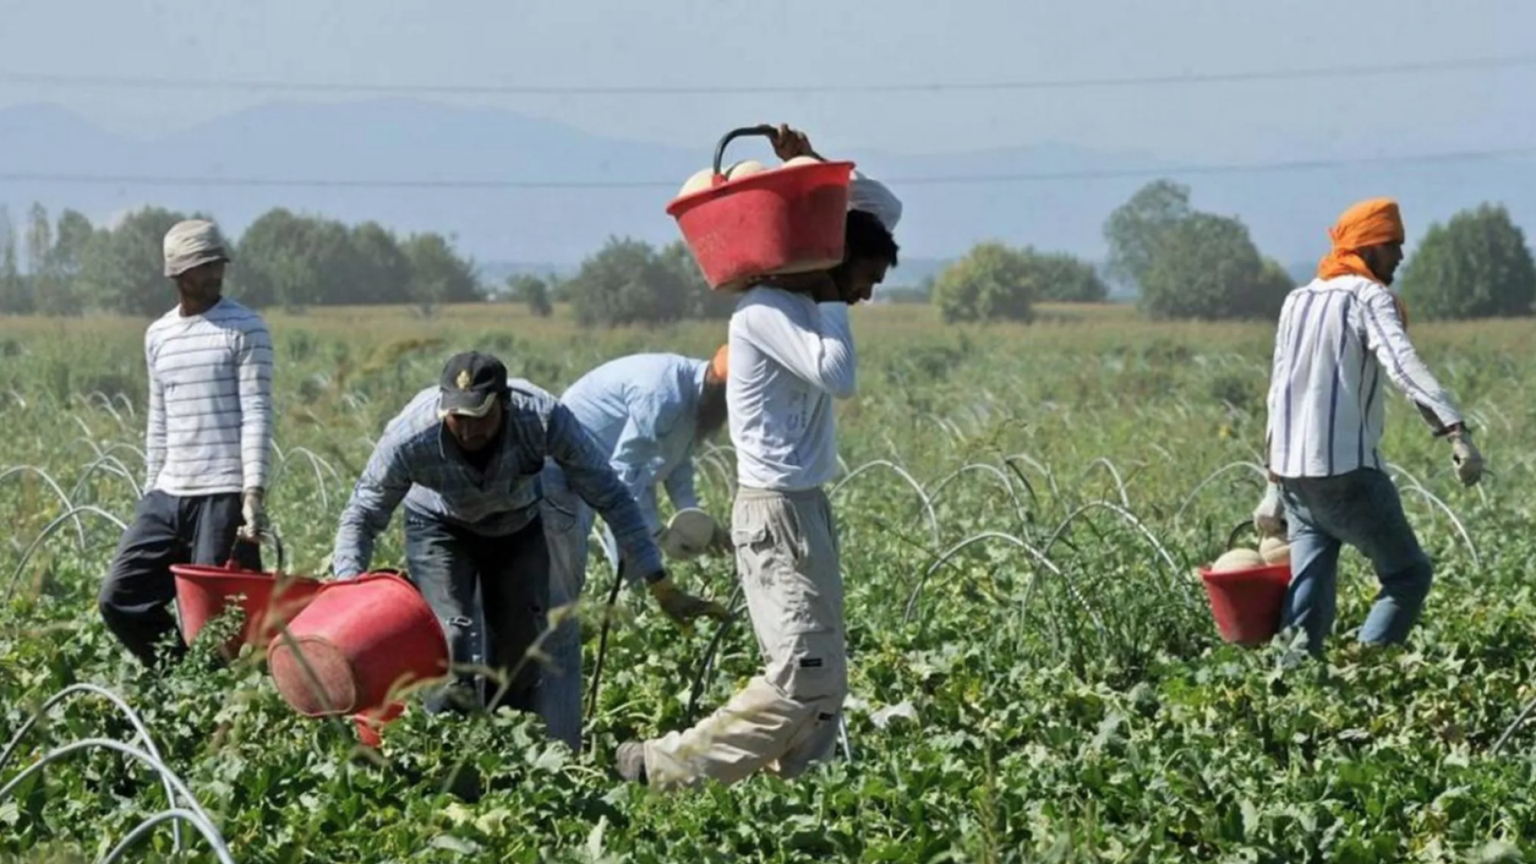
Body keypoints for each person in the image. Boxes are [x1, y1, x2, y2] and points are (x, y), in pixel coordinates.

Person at [617, 124, 901, 789]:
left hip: (806, 507)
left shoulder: (802, 304)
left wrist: (812, 170)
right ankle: (661, 767)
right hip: (774, 512)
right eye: (864, 278)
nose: (867, 294)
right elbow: (839, 375)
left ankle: (801, 800)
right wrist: (831, 293)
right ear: (833, 264)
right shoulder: (764, 312)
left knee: (825, 677)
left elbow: (885, 209)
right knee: (801, 674)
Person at [330, 351, 726, 720]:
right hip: (440, 527)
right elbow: (362, 514)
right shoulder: (411, 436)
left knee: (520, 652)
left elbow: (611, 494)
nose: (467, 430)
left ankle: (507, 756)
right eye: (457, 418)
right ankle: (447, 756)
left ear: (504, 405)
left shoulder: (541, 417)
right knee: (454, 637)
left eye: (478, 417)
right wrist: (347, 593)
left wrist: (658, 580)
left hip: (516, 526)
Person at [1253, 197, 1485, 657]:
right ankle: (1367, 673)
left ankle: (1293, 687)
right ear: (1368, 247)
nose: (1400, 255)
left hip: (1298, 477)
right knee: (1407, 574)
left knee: (1309, 591)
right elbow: (1402, 364)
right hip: (1348, 473)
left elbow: (1280, 390)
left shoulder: (1297, 300)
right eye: (1392, 245)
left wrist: (1273, 483)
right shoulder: (1368, 297)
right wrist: (1456, 431)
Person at [537, 348, 734, 750]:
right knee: (560, 594)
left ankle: (581, 703)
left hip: (604, 473)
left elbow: (677, 467)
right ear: (721, 387)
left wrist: (693, 520)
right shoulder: (661, 394)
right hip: (562, 471)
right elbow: (624, 477)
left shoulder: (695, 404)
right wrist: (655, 536)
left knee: (630, 571)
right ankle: (553, 728)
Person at [99, 219, 272, 668]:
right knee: (120, 597)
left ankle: (213, 707)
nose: (213, 273)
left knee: (217, 625)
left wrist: (252, 494)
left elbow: (256, 413)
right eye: (202, 266)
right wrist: (150, 489)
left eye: (217, 263)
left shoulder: (245, 328)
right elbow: (158, 418)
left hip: (221, 494)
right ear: (177, 274)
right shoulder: (159, 335)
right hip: (169, 492)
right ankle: (180, 680)